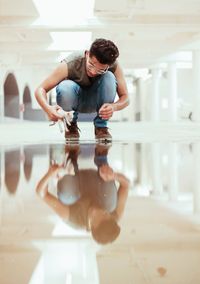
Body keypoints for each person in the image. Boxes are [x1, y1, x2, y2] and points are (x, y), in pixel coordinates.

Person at [34, 38, 129, 141]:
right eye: (91, 64)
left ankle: (101, 127)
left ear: (108, 65)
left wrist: (114, 107)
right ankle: (71, 125)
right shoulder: (70, 63)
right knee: (64, 86)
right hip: (75, 100)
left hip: (98, 103)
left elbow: (125, 97)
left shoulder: (113, 66)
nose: (93, 71)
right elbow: (40, 89)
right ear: (87, 54)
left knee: (109, 77)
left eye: (101, 70)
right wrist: (48, 109)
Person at [36, 144, 130, 244]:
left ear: (92, 226)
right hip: (98, 180)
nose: (103, 211)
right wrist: (114, 176)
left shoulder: (72, 218)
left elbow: (42, 194)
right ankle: (101, 155)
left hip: (73, 179)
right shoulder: (114, 217)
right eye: (106, 214)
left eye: (100, 216)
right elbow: (126, 185)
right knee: (110, 204)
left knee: (67, 198)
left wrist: (50, 174)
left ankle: (71, 156)